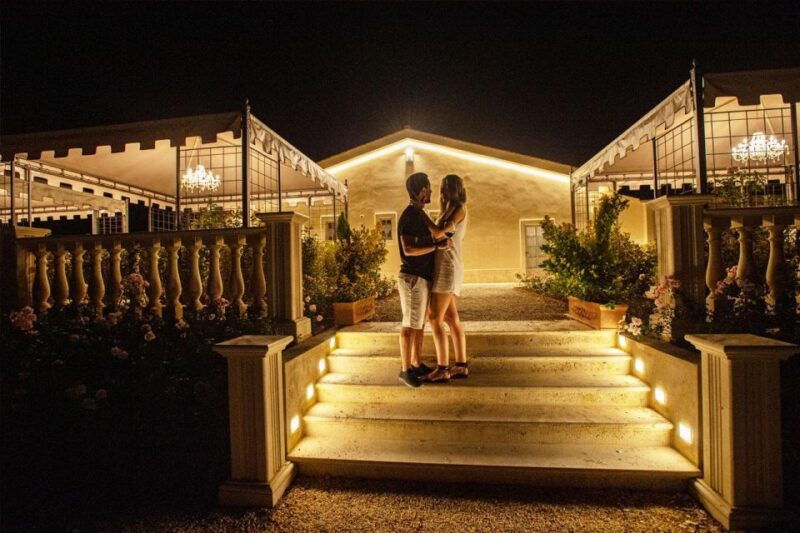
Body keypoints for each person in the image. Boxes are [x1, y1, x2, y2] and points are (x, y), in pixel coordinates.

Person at [396, 172, 451, 388]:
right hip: (412, 278)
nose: (431, 191)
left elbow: (436, 232)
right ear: (421, 191)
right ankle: (404, 369)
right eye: (428, 188)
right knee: (409, 325)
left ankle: (416, 363)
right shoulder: (409, 215)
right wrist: (437, 245)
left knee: (418, 324)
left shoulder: (419, 213)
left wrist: (446, 231)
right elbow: (408, 249)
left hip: (422, 277)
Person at [421, 174, 468, 383]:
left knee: (434, 318)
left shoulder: (459, 208)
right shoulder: (446, 210)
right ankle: (461, 365)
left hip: (448, 267)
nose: (443, 190)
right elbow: (439, 234)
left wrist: (422, 216)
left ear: (457, 189)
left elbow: (440, 233)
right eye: (442, 186)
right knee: (451, 319)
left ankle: (442, 368)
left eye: (447, 186)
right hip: (444, 265)